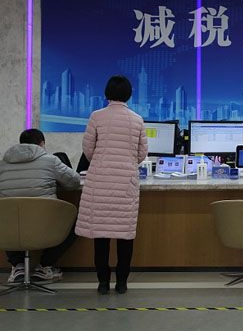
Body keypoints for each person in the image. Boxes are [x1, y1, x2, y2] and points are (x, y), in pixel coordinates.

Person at [75, 75, 148, 295]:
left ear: (107, 93)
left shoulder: (96, 116)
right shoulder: (137, 119)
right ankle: (122, 283)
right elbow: (142, 153)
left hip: (99, 181)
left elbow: (88, 150)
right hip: (126, 182)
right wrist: (127, 161)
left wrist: (101, 161)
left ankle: (103, 283)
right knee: (125, 235)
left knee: (101, 236)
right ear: (129, 94)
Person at [1, 128, 80, 284]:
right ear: (42, 143)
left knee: (6, 217)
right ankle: (45, 266)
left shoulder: (2, 165)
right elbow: (74, 182)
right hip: (45, 226)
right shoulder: (51, 161)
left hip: (10, 229)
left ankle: (18, 266)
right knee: (78, 220)